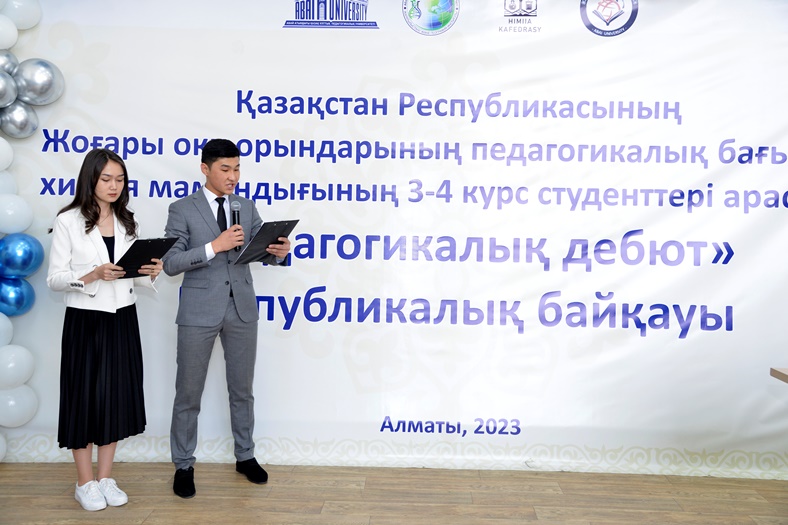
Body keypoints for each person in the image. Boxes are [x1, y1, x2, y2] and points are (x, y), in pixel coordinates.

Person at [162, 138, 291, 499]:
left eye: (237, 169)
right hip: (198, 311)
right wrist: (213, 246)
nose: (233, 176)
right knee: (188, 392)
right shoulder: (181, 209)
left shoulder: (245, 206)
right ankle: (183, 464)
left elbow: (260, 248)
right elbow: (170, 263)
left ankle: (245, 456)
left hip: (242, 308)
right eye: (225, 169)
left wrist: (278, 252)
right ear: (205, 169)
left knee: (242, 390)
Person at [46, 148, 164, 512]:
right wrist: (93, 275)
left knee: (116, 397)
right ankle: (84, 482)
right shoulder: (68, 220)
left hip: (122, 318)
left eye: (120, 179)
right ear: (91, 180)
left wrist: (149, 272)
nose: (114, 186)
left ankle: (106, 478)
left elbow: (130, 275)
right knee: (82, 399)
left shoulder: (129, 221)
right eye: (106, 179)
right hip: (85, 320)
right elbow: (55, 279)